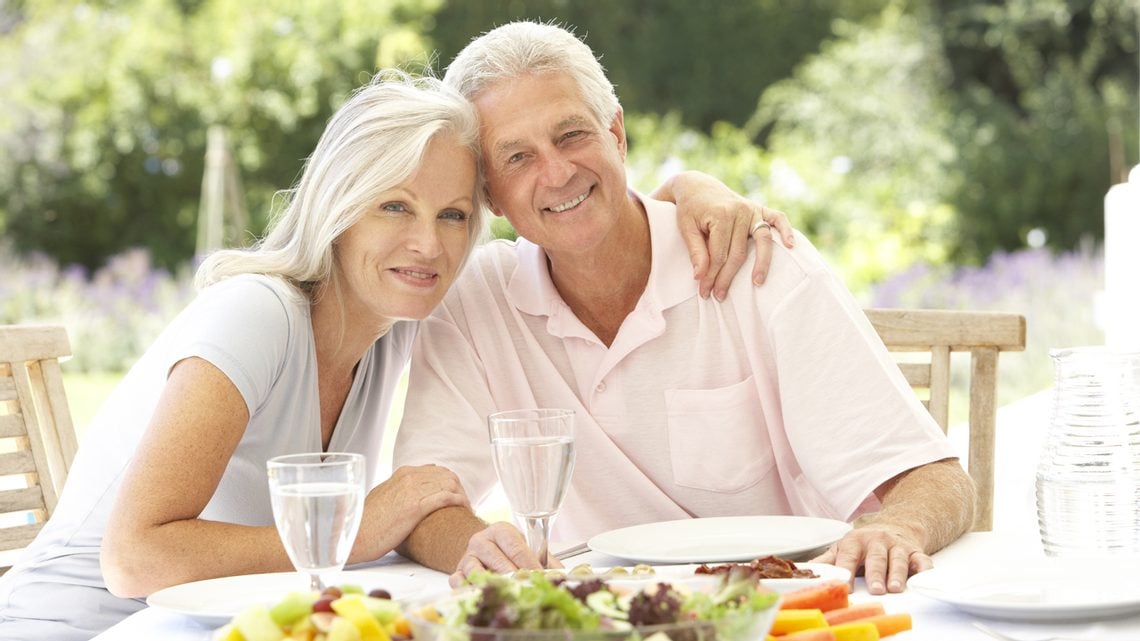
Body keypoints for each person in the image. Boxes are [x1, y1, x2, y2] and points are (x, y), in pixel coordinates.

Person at [0, 69, 789, 639]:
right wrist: (366, 523)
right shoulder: (258, 314)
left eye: (452, 214)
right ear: (338, 209)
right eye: (394, 207)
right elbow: (135, 558)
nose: (428, 243)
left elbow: (578, 205)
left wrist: (693, 188)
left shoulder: (397, 318)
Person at [392, 21, 977, 596]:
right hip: (609, 620)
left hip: (777, 611)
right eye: (517, 157)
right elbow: (423, 500)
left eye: (571, 135)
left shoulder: (755, 263)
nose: (558, 171)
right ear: (490, 192)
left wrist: (895, 526)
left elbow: (936, 479)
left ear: (616, 134)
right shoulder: (475, 302)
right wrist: (477, 545)